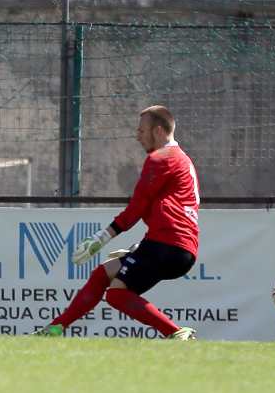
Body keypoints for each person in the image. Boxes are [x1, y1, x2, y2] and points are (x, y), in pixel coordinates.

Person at [35, 105, 201, 340]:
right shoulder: (182, 159)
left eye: (142, 130)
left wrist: (101, 238)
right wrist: (141, 248)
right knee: (102, 274)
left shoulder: (161, 158)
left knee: (116, 295)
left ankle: (176, 332)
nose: (138, 135)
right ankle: (55, 328)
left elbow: (137, 207)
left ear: (159, 130)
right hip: (178, 246)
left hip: (166, 244)